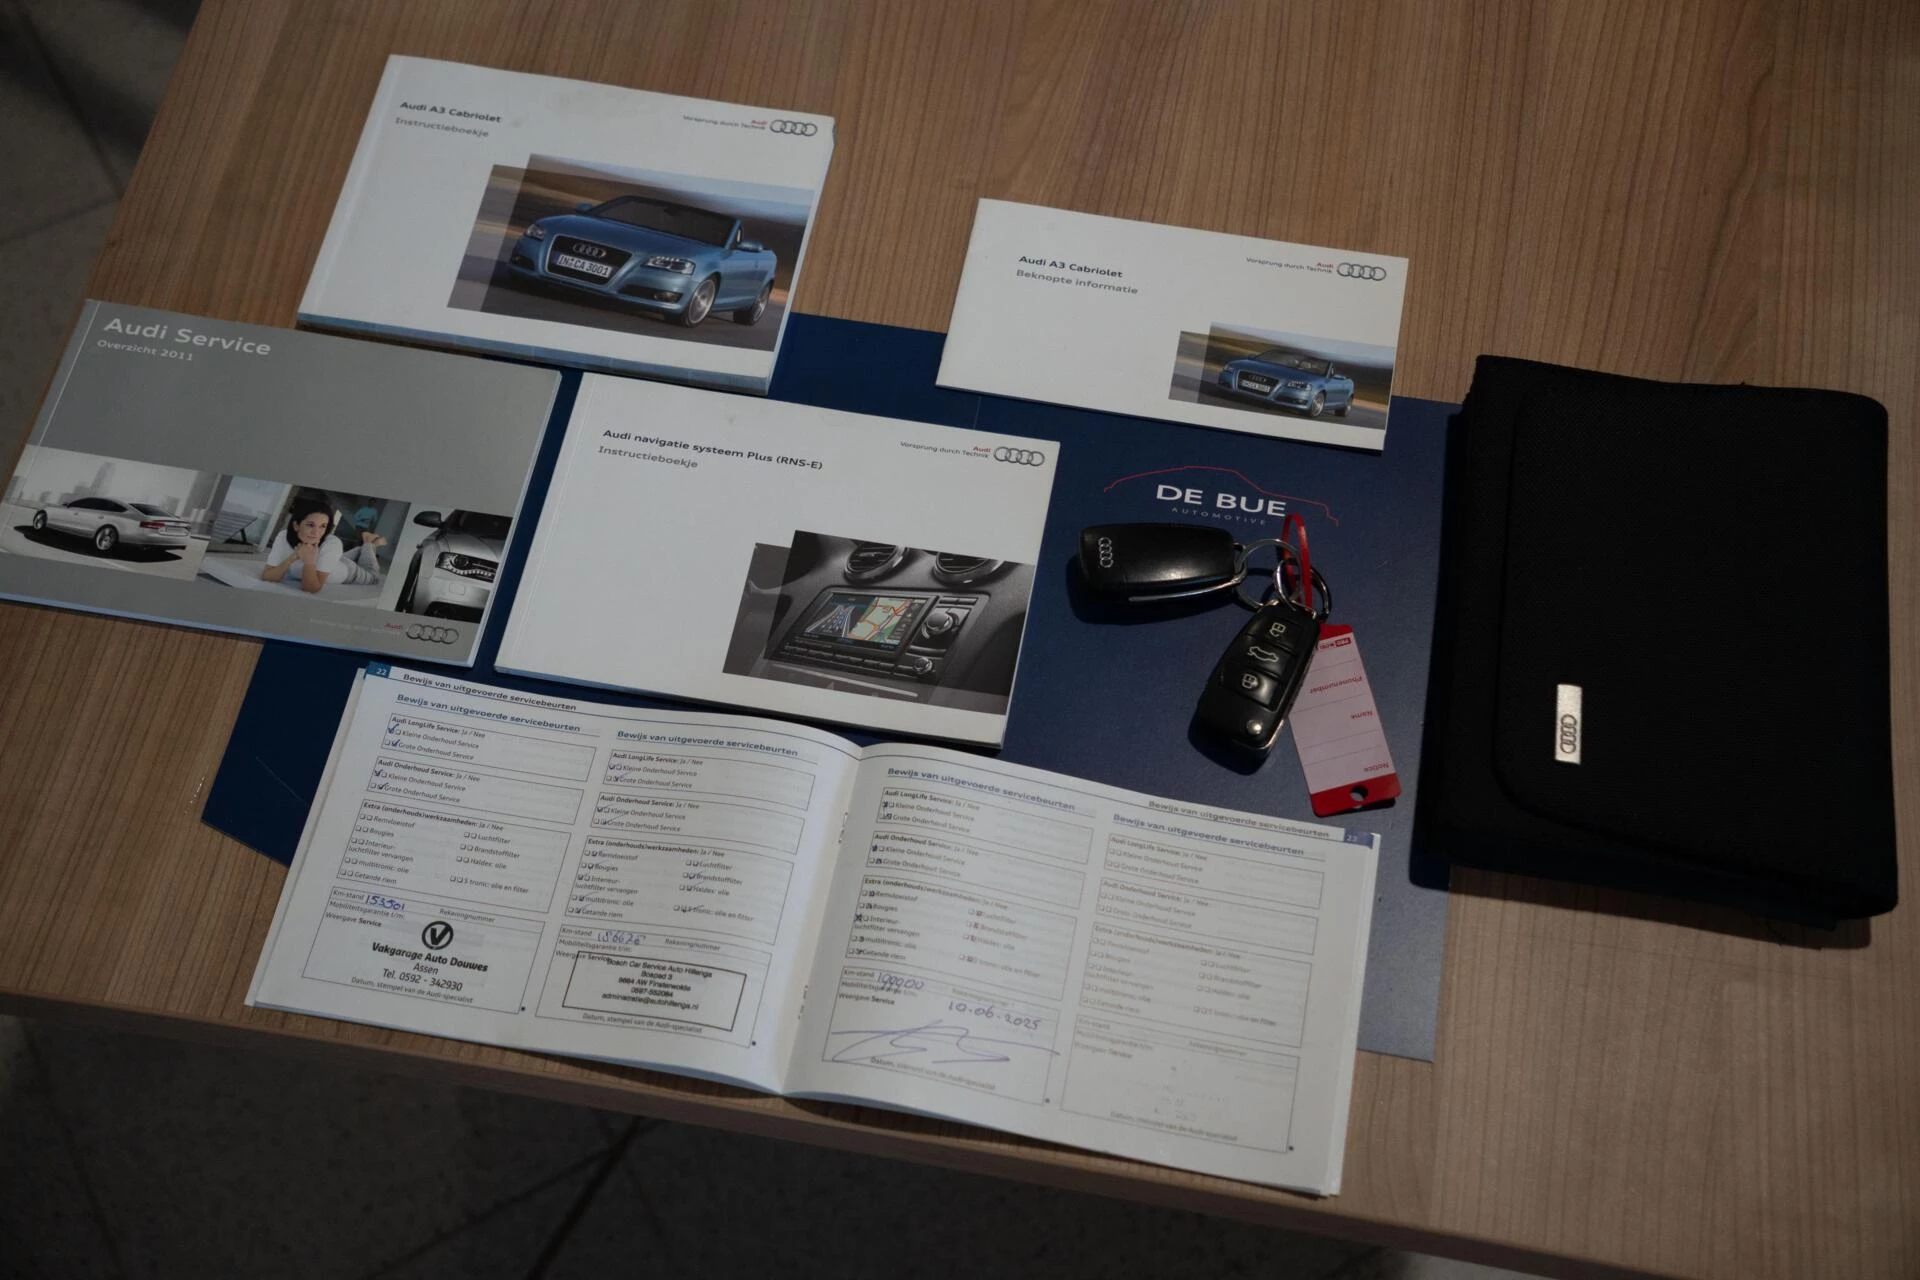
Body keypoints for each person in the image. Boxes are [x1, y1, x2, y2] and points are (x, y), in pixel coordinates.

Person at [260, 496, 384, 593]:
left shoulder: (333, 543)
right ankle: (365, 546)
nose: (316, 533)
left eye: (322, 526)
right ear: (296, 525)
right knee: (345, 555)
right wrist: (292, 558)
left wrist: (309, 561)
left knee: (374, 578)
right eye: (310, 525)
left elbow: (312, 588)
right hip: (333, 560)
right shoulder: (283, 536)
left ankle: (370, 543)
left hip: (349, 571)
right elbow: (267, 576)